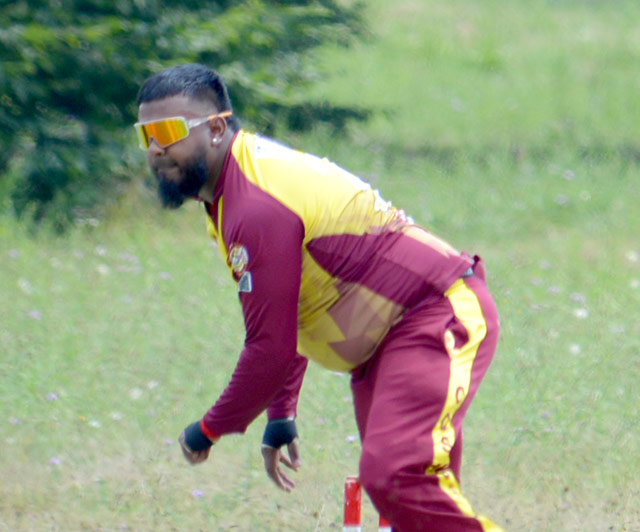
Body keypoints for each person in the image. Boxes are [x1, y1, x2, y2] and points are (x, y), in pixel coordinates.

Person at [134, 63, 505, 532]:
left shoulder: (253, 203)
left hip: (435, 312)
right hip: (386, 342)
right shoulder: (232, 187)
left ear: (215, 128)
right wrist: (281, 411)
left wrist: (208, 429)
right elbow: (294, 308)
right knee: (402, 500)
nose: (154, 149)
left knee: (393, 475)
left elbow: (269, 349)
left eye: (167, 131)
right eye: (144, 135)